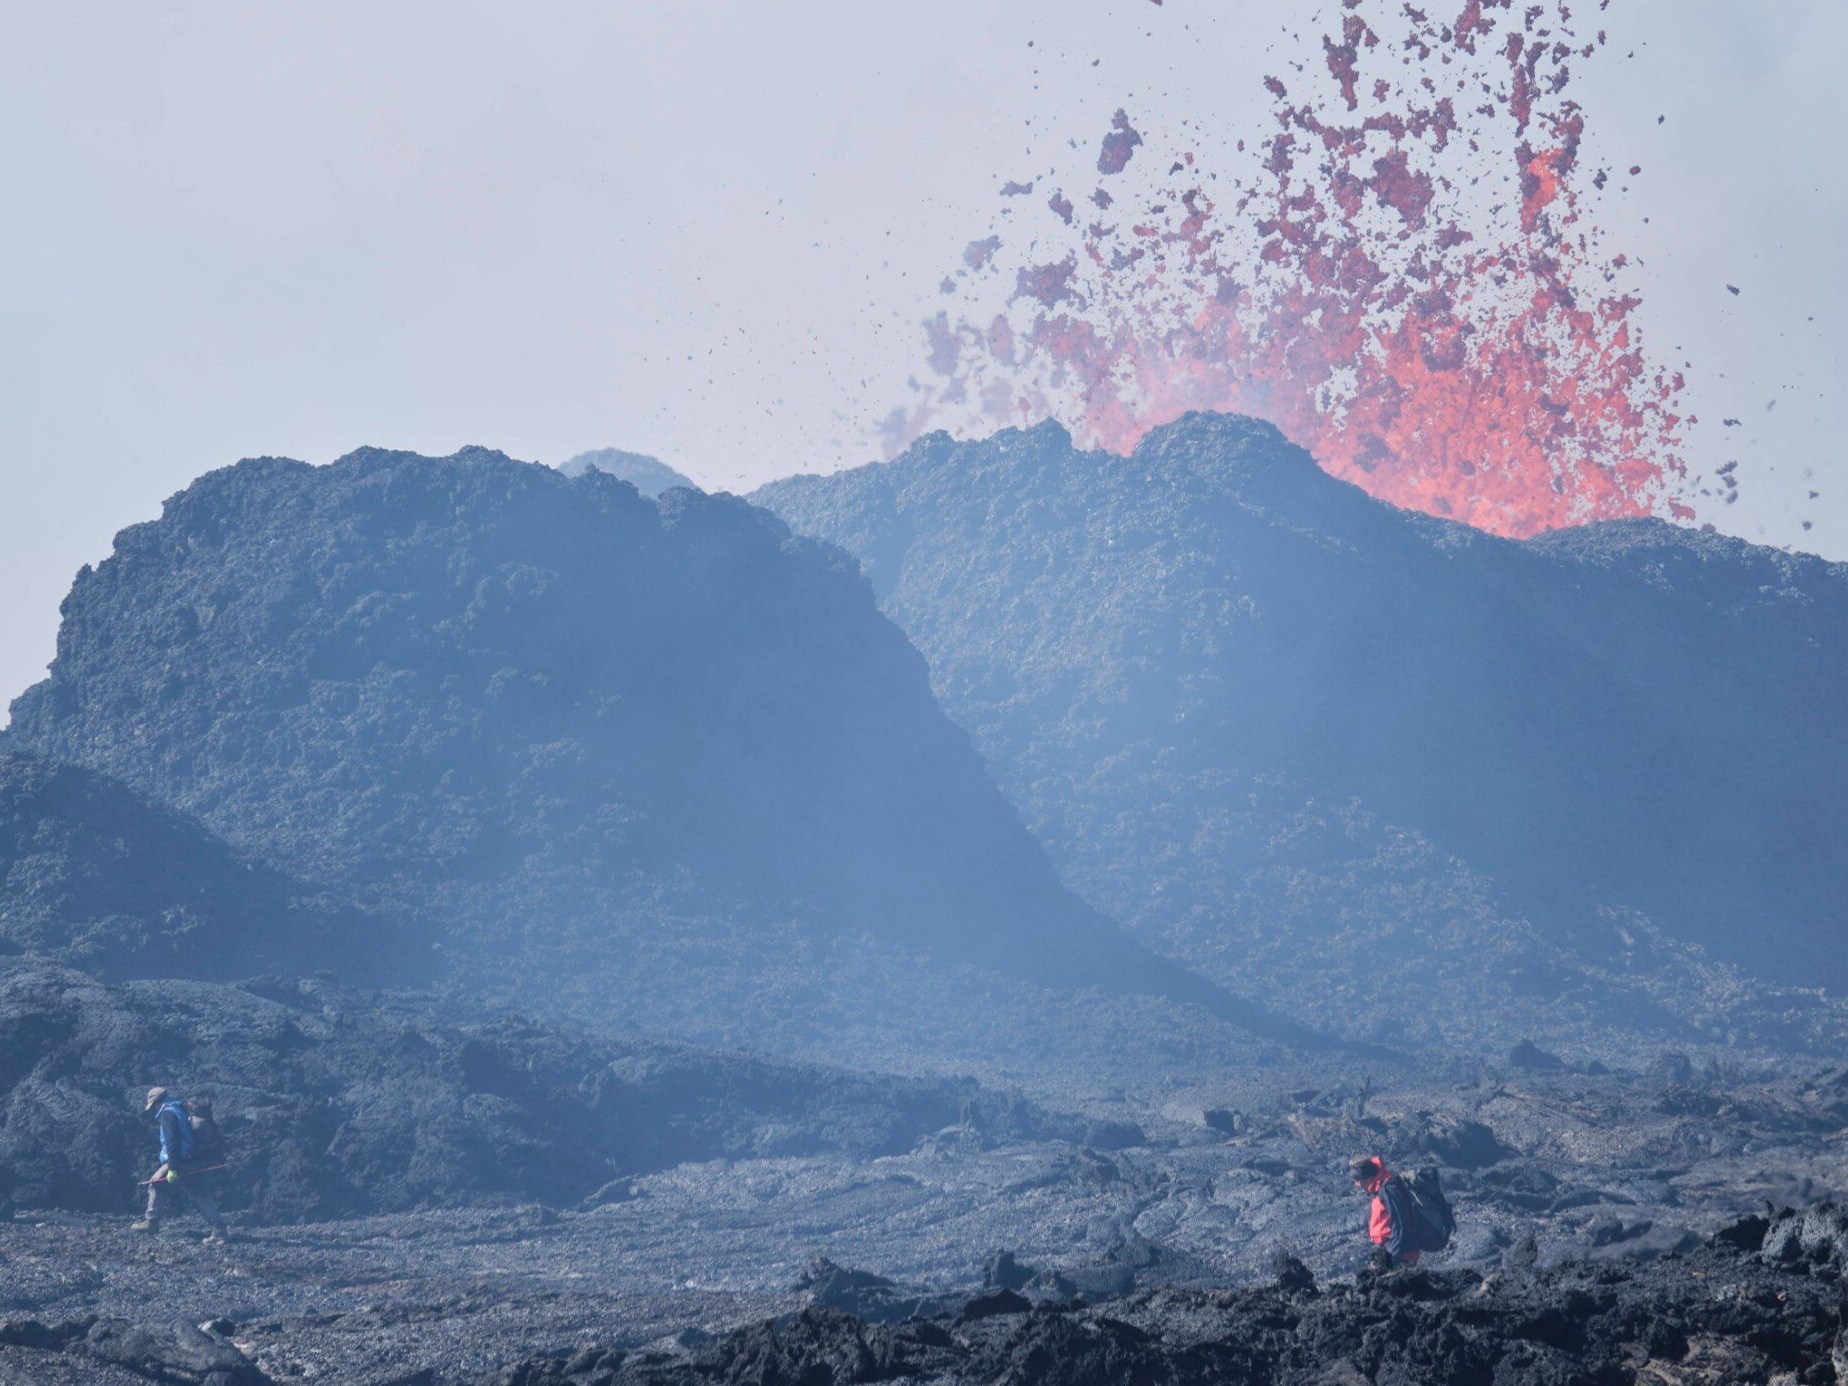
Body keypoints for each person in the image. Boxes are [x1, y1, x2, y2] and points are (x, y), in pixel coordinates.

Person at [131, 1087, 228, 1240]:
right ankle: (219, 1229)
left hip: (178, 1160)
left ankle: (151, 1222)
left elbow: (172, 1142)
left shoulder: (167, 1113)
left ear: (157, 1102)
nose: (152, 1110)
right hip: (190, 1159)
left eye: (152, 1106)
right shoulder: (180, 1109)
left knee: (156, 1183)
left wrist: (172, 1167)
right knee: (200, 1194)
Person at [1350, 1154, 1419, 1268]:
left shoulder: (1389, 1189)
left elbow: (1401, 1226)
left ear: (1367, 1179)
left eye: (1358, 1180)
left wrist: (1390, 1260)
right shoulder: (1380, 1190)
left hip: (1401, 1254)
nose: (1356, 1185)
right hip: (1392, 1250)